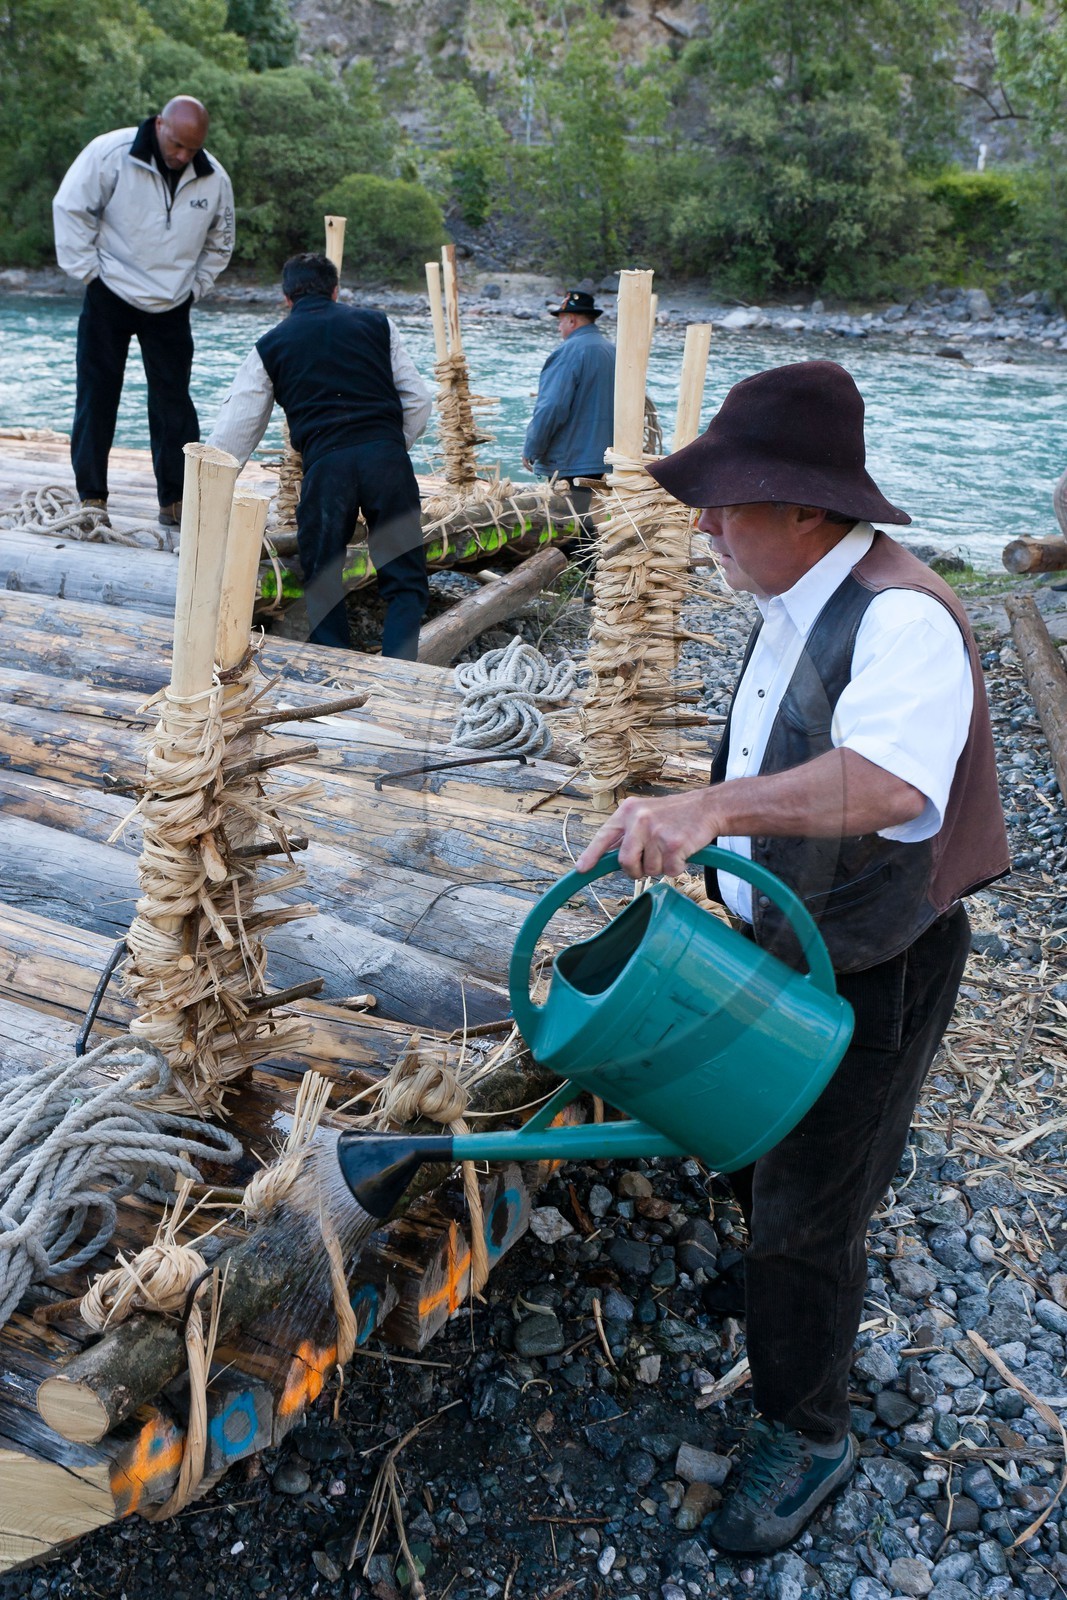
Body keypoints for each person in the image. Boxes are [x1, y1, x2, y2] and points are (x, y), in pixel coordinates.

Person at [575, 360, 1009, 1555]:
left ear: (807, 510)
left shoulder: (902, 614)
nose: (706, 524)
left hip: (876, 957)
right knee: (756, 1138)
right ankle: (780, 1297)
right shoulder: (794, 603)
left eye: (728, 502)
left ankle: (809, 1427)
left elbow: (890, 781)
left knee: (814, 1204)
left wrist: (711, 812)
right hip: (790, 935)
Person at [207, 252, 432, 660]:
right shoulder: (377, 324)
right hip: (386, 458)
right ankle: (402, 667)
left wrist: (208, 493)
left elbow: (236, 431)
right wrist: (391, 446)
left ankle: (335, 663)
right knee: (406, 574)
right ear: (335, 291)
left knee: (323, 570)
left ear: (286, 298)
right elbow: (418, 400)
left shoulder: (269, 346)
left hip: (327, 468)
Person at [53, 96, 234, 530]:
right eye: (177, 145)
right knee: (97, 397)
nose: (183, 155)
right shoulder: (109, 154)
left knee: (174, 404)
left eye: (193, 149)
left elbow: (221, 240)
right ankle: (91, 497)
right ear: (159, 125)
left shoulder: (214, 178)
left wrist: (195, 289)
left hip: (173, 302)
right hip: (108, 291)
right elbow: (69, 208)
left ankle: (176, 501)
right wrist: (90, 276)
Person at [522, 290, 615, 487]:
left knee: (566, 515)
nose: (558, 328)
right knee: (589, 514)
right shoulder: (613, 350)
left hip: (571, 459)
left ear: (572, 321)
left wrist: (532, 449)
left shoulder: (568, 352)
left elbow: (552, 407)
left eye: (560, 321)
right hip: (607, 459)